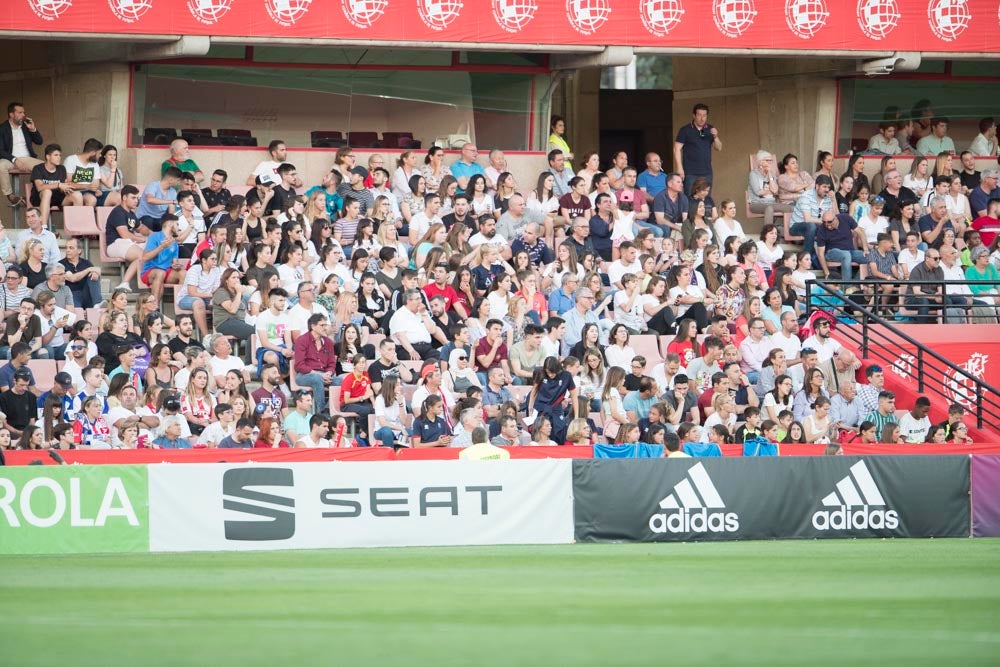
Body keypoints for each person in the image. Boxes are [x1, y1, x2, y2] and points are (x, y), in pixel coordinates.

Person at [0, 102, 44, 207]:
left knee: (45, 167)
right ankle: (10, 195)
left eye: (23, 112)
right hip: (10, 159)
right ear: (11, 114)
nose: (23, 115)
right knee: (0, 165)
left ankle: (36, 195)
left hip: (27, 158)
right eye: (20, 112)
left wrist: (33, 129)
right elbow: (0, 150)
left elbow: (39, 141)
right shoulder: (2, 128)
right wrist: (15, 160)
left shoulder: (25, 126)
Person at [674, 103, 721, 195]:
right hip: (690, 172)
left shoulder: (710, 129)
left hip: (707, 172)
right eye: (699, 115)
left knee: (706, 199)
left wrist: (715, 137)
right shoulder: (685, 130)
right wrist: (679, 168)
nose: (702, 118)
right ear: (694, 115)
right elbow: (676, 149)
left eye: (704, 115)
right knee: (691, 198)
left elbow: (718, 148)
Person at [30, 143, 82, 226]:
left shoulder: (61, 168)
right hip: (40, 198)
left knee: (77, 195)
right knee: (47, 192)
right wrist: (58, 185)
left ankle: (76, 228)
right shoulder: (38, 168)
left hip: (57, 197)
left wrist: (66, 187)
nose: (59, 157)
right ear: (48, 156)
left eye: (60, 155)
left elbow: (62, 187)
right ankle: (43, 228)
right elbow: (40, 187)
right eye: (56, 155)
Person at [788, 174, 833, 254]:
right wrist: (824, 221)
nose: (827, 190)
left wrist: (834, 199)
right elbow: (807, 219)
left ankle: (828, 258)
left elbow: (831, 217)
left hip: (817, 226)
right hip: (797, 226)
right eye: (824, 187)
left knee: (831, 227)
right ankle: (807, 256)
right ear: (817, 186)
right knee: (811, 225)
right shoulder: (806, 196)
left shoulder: (827, 199)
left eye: (828, 187)